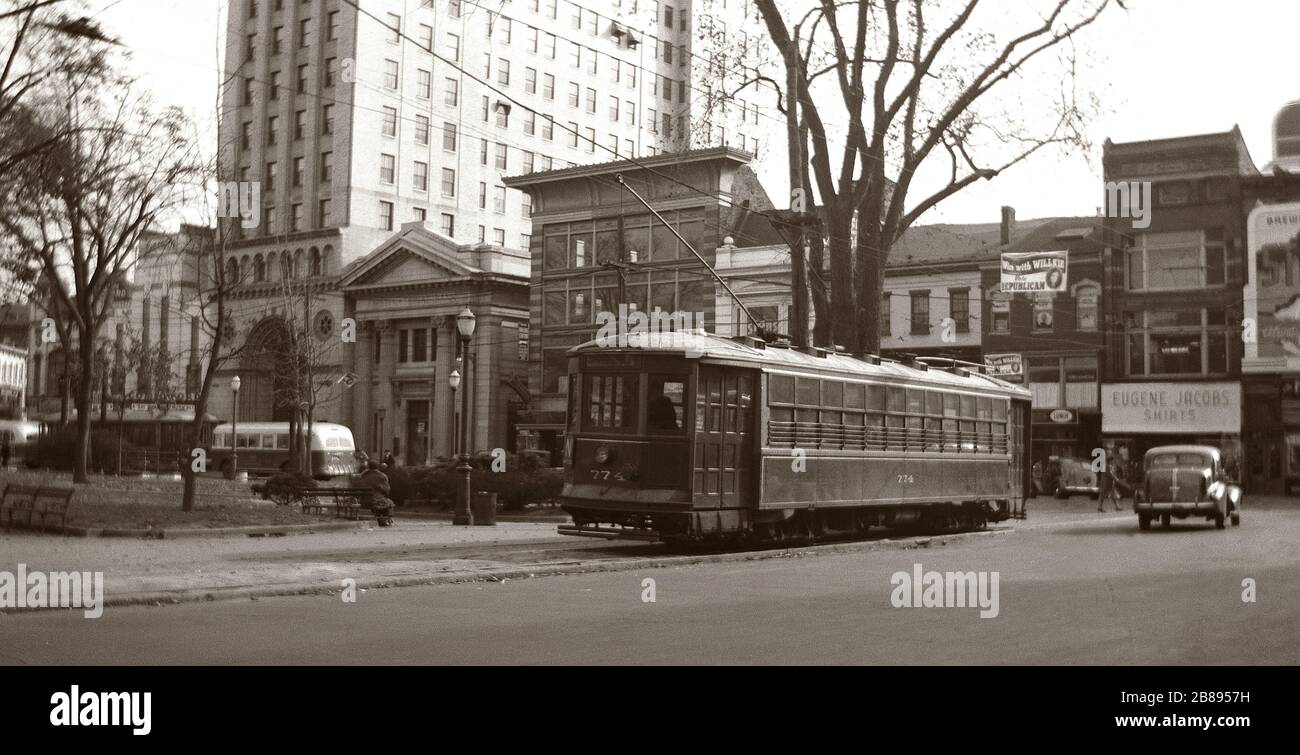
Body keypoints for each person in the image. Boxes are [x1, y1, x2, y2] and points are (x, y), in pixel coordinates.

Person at [357, 460, 395, 526]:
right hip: (376, 500)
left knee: (381, 501)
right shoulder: (382, 476)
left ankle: (381, 519)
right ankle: (386, 520)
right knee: (389, 503)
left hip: (363, 501)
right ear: (377, 467)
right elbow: (387, 490)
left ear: (368, 467)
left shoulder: (362, 476)